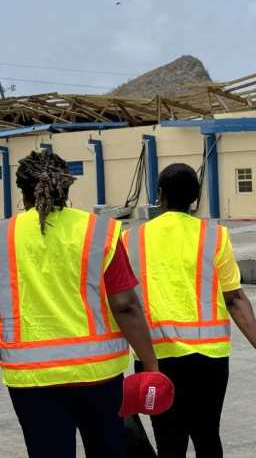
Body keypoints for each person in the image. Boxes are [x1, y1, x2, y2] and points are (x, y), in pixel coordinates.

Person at [0, 150, 158, 458]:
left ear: (21, 191)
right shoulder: (100, 231)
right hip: (98, 376)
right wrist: (150, 364)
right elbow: (126, 305)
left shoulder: (3, 236)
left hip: (31, 378)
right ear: (67, 187)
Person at [123, 163, 256, 458]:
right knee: (207, 436)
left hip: (156, 358)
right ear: (195, 199)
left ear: (159, 194)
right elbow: (235, 298)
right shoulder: (214, 236)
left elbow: (123, 304)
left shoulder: (131, 239)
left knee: (169, 442)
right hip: (209, 360)